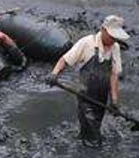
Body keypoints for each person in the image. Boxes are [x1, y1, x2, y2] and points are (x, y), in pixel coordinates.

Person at [49, 15, 129, 147]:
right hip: (85, 94)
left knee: (94, 125)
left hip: (102, 96)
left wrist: (114, 100)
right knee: (93, 137)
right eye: (111, 36)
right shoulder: (87, 43)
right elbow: (65, 59)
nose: (113, 40)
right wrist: (54, 74)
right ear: (103, 30)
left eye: (116, 38)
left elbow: (114, 75)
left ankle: (84, 141)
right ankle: (92, 153)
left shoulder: (115, 47)